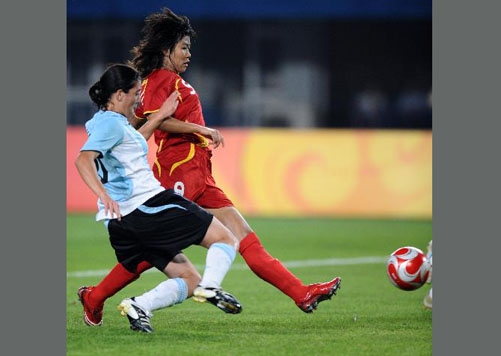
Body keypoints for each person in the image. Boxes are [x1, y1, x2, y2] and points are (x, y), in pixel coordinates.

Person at [78, 8, 341, 326]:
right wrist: (197, 129)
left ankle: (301, 293)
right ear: (167, 50)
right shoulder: (160, 79)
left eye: (189, 47)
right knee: (157, 249)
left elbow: (140, 124)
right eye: (183, 47)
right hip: (179, 172)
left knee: (242, 236)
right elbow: (142, 120)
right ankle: (100, 297)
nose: (188, 54)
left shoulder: (172, 80)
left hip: (200, 173)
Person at [75, 64, 242, 333]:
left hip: (126, 221)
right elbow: (83, 159)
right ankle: (211, 289)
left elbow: (132, 141)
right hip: (147, 205)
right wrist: (103, 195)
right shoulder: (109, 123)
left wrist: (162, 114)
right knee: (225, 238)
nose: (139, 98)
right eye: (135, 93)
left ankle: (138, 305)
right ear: (119, 95)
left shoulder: (113, 124)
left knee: (189, 279)